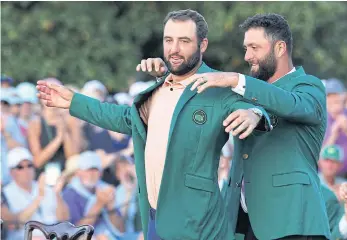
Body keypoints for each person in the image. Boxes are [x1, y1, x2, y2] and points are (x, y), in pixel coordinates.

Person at [36, 9, 272, 240]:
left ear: (203, 45)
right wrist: (73, 101)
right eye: (168, 40)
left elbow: (253, 108)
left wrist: (254, 115)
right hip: (154, 217)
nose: (174, 49)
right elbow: (126, 119)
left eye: (184, 41)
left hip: (198, 222)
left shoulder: (217, 86)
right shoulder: (158, 89)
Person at [140, 13, 330, 240]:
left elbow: (292, 105)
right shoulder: (246, 93)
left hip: (292, 220)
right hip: (242, 222)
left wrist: (236, 80)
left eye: (254, 47)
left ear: (280, 48)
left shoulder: (308, 86)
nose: (248, 56)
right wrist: (169, 76)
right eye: (246, 48)